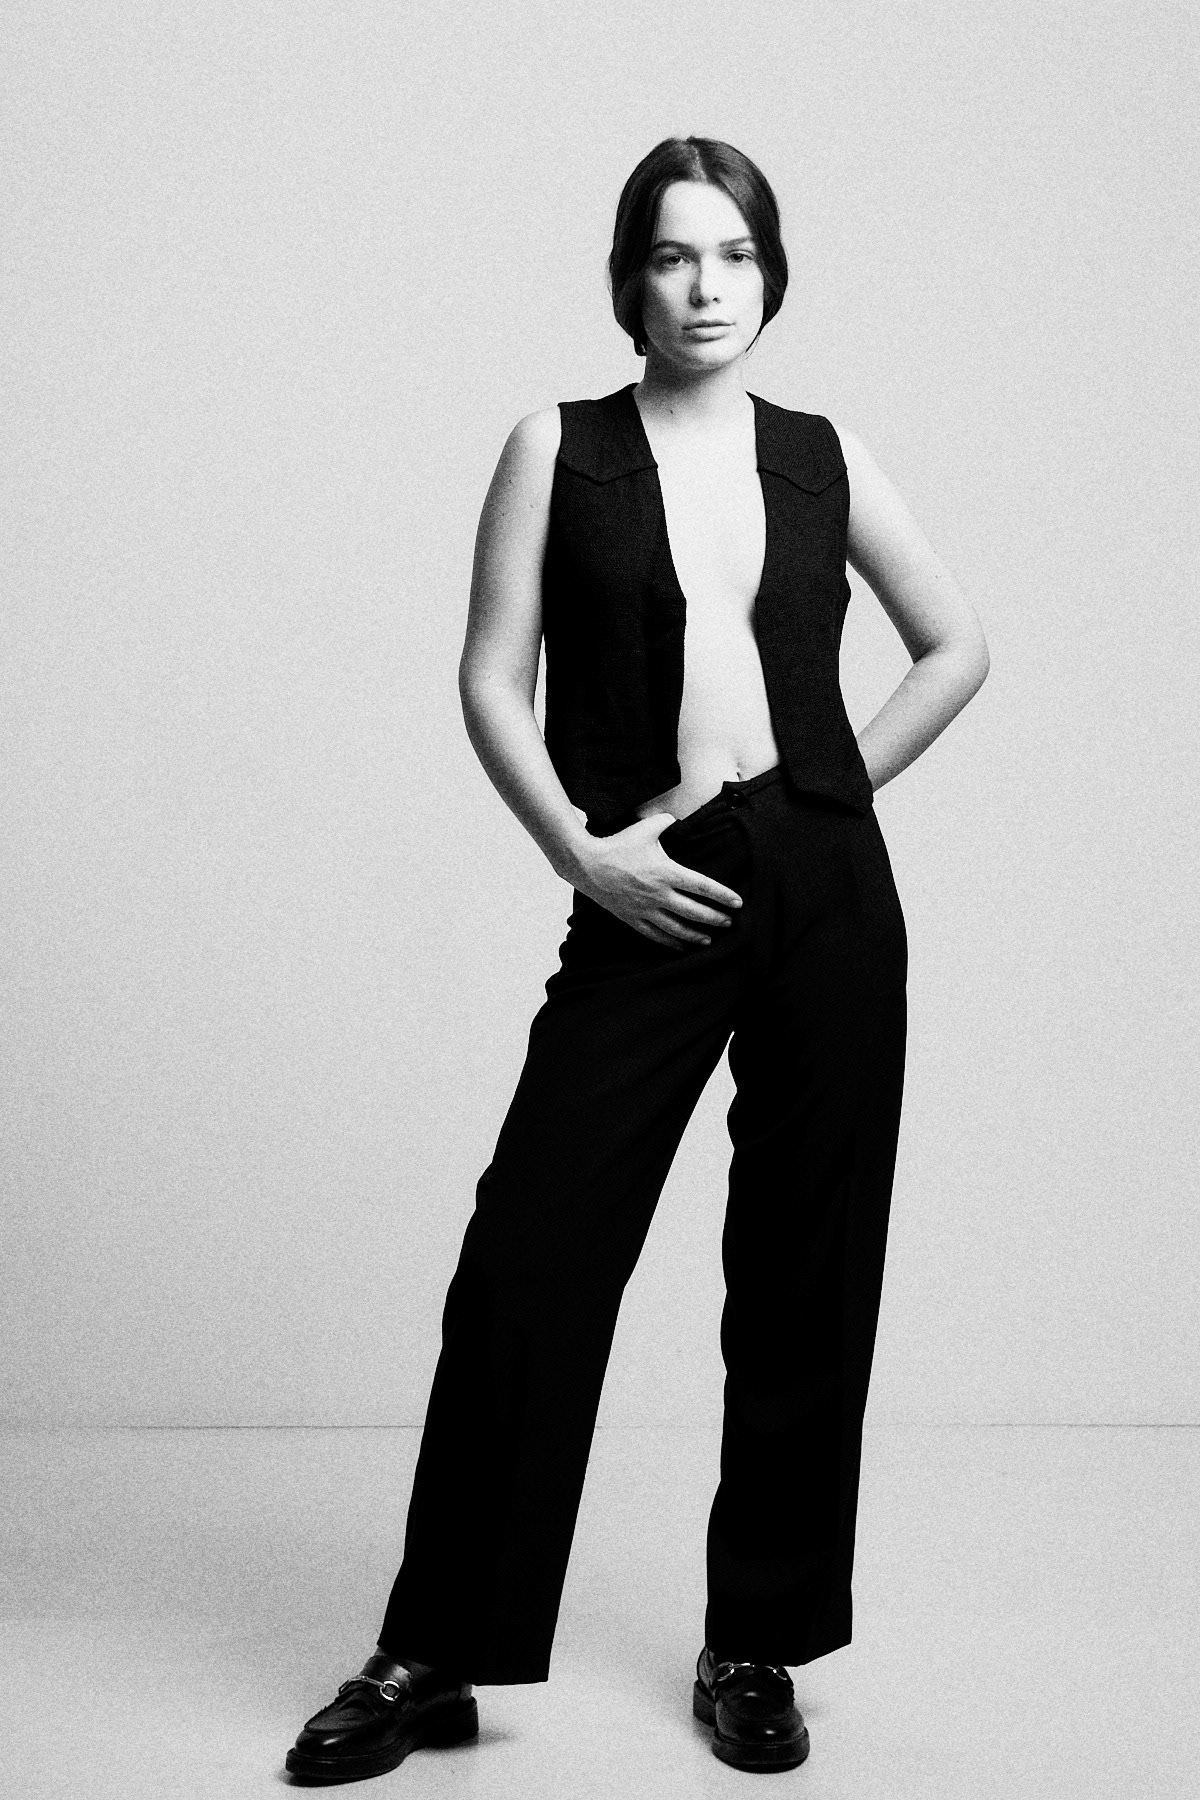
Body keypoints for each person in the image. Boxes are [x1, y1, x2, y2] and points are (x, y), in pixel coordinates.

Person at [285, 135, 989, 1784]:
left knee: (806, 1272)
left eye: (734, 253)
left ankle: (758, 1638)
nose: (705, 286)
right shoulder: (560, 446)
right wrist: (581, 854)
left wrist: (828, 794)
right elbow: (490, 677)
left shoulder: (821, 454)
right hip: (644, 882)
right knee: (531, 1256)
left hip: (824, 886)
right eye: (674, 256)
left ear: (772, 273)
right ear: (629, 279)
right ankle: (433, 1651)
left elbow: (956, 645)